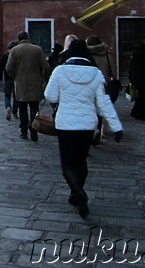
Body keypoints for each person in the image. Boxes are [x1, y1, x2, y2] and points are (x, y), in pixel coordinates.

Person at [44, 38, 123, 218]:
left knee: (67, 163)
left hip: (65, 124)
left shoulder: (60, 71)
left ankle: (78, 192)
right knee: (81, 161)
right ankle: (76, 193)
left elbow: (50, 96)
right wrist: (116, 126)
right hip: (87, 124)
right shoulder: (96, 74)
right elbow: (104, 103)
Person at [5, 31, 50, 141]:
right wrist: (45, 78)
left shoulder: (14, 50)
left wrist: (15, 76)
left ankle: (24, 132)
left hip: (20, 83)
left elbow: (9, 67)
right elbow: (46, 66)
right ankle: (34, 130)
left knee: (22, 108)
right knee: (34, 107)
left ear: (18, 39)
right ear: (28, 38)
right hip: (35, 82)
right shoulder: (37, 49)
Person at [0, 41, 19, 121]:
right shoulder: (18, 56)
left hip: (7, 79)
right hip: (17, 78)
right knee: (16, 96)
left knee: (7, 95)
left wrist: (0, 79)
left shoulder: (5, 56)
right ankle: (14, 112)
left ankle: (8, 106)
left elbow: (0, 68)